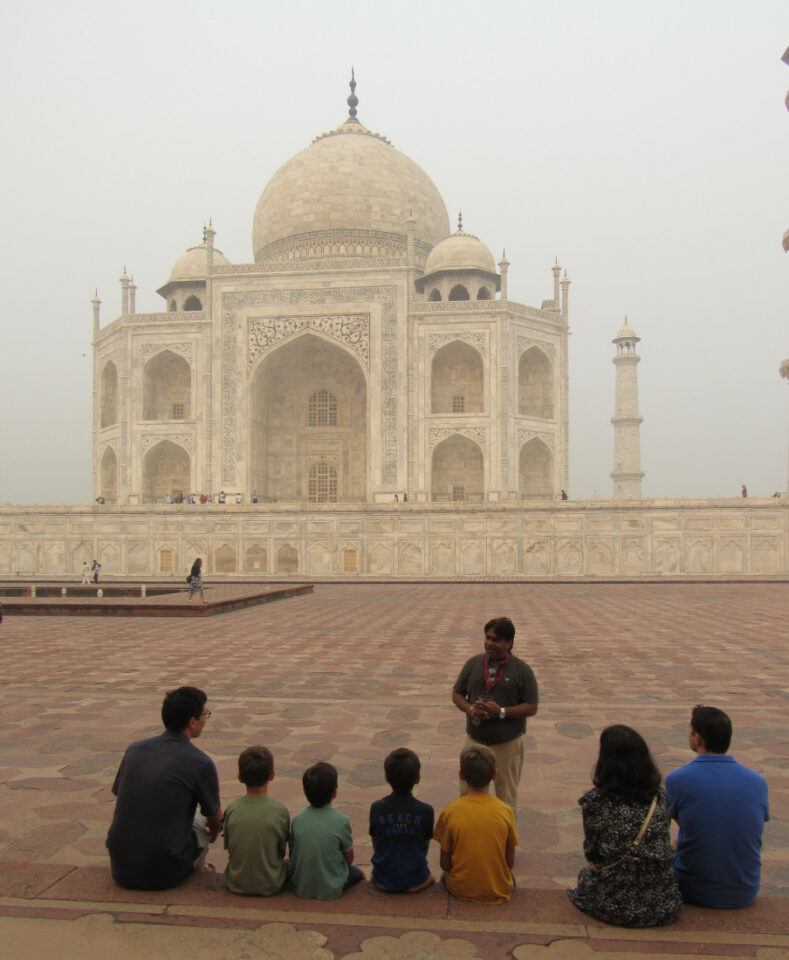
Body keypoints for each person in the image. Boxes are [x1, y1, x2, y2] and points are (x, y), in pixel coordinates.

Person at [106, 686, 222, 890]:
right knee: (198, 819)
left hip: (121, 865)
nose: (206, 720)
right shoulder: (200, 762)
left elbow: (122, 794)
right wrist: (213, 832)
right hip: (165, 871)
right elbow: (215, 820)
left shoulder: (135, 750)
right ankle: (200, 866)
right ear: (192, 722)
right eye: (205, 715)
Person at [568, 725, 681, 928]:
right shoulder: (659, 797)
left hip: (612, 901)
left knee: (586, 877)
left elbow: (593, 853)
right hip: (661, 900)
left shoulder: (596, 801)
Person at [665, 705, 769, 909]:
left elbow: (684, 824)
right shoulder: (757, 781)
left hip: (692, 889)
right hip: (745, 890)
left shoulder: (677, 779)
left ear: (697, 738)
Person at [452, 617, 538, 814]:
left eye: (496, 640)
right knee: (466, 792)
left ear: (509, 643)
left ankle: (505, 842)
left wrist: (501, 711)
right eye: (487, 638)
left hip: (506, 743)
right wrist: (469, 709)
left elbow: (532, 706)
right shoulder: (473, 664)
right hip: (474, 739)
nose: (489, 643)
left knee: (506, 797)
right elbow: (457, 694)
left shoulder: (521, 670)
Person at [433, 744, 517, 904]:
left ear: (461, 775)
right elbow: (509, 863)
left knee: (445, 876)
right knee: (510, 878)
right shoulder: (505, 811)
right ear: (494, 775)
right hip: (497, 887)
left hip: (460, 887)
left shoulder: (451, 811)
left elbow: (445, 864)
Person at [288, 761, 365, 900]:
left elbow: (293, 852)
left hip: (301, 884)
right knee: (357, 873)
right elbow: (349, 858)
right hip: (331, 886)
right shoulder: (341, 820)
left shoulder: (298, 819)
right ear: (335, 792)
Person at [223, 746, 290, 896]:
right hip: (272, 884)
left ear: (240, 777)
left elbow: (229, 847)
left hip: (235, 882)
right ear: (272, 775)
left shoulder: (232, 809)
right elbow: (281, 851)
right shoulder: (280, 811)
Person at [369, 747, 434, 892]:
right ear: (418, 778)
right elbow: (424, 845)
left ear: (386, 777)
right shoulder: (426, 811)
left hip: (382, 879)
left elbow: (377, 845)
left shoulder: (377, 808)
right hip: (417, 879)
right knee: (435, 878)